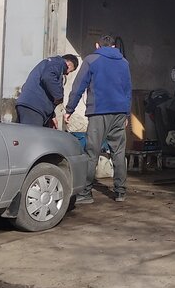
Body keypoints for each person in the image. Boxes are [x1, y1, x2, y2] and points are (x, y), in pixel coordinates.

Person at [64, 34, 132, 204]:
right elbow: (127, 90)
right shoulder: (124, 63)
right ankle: (120, 192)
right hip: (119, 112)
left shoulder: (91, 60)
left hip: (99, 112)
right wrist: (126, 113)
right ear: (114, 46)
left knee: (91, 153)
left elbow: (79, 86)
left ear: (97, 45)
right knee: (118, 152)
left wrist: (70, 109)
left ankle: (85, 193)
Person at [15, 54, 78, 127]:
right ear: (69, 64)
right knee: (32, 133)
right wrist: (59, 96)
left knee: (22, 133)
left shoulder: (49, 63)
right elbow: (48, 77)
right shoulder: (58, 63)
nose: (67, 74)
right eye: (70, 71)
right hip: (35, 108)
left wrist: (52, 115)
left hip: (27, 105)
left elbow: (45, 87)